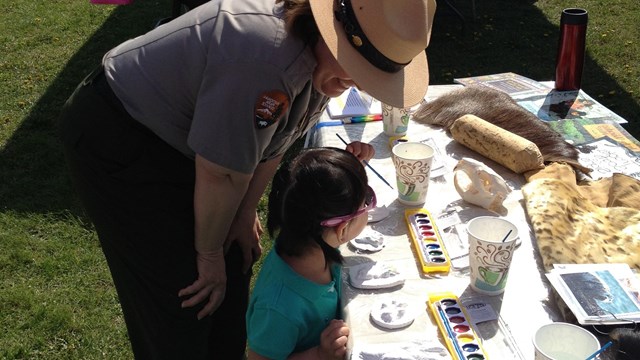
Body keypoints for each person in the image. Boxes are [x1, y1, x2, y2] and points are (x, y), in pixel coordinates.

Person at [58, 0, 436, 358]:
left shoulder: (324, 63)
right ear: (333, 30)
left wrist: (242, 214)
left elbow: (272, 146)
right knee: (183, 295)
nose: (356, 83)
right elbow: (220, 172)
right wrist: (208, 255)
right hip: (121, 134)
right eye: (356, 66)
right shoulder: (265, 59)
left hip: (194, 145)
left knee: (235, 264)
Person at [247, 147, 374, 359]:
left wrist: (348, 171)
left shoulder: (306, 241)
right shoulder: (279, 308)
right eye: (367, 202)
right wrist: (318, 354)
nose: (369, 205)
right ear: (341, 229)